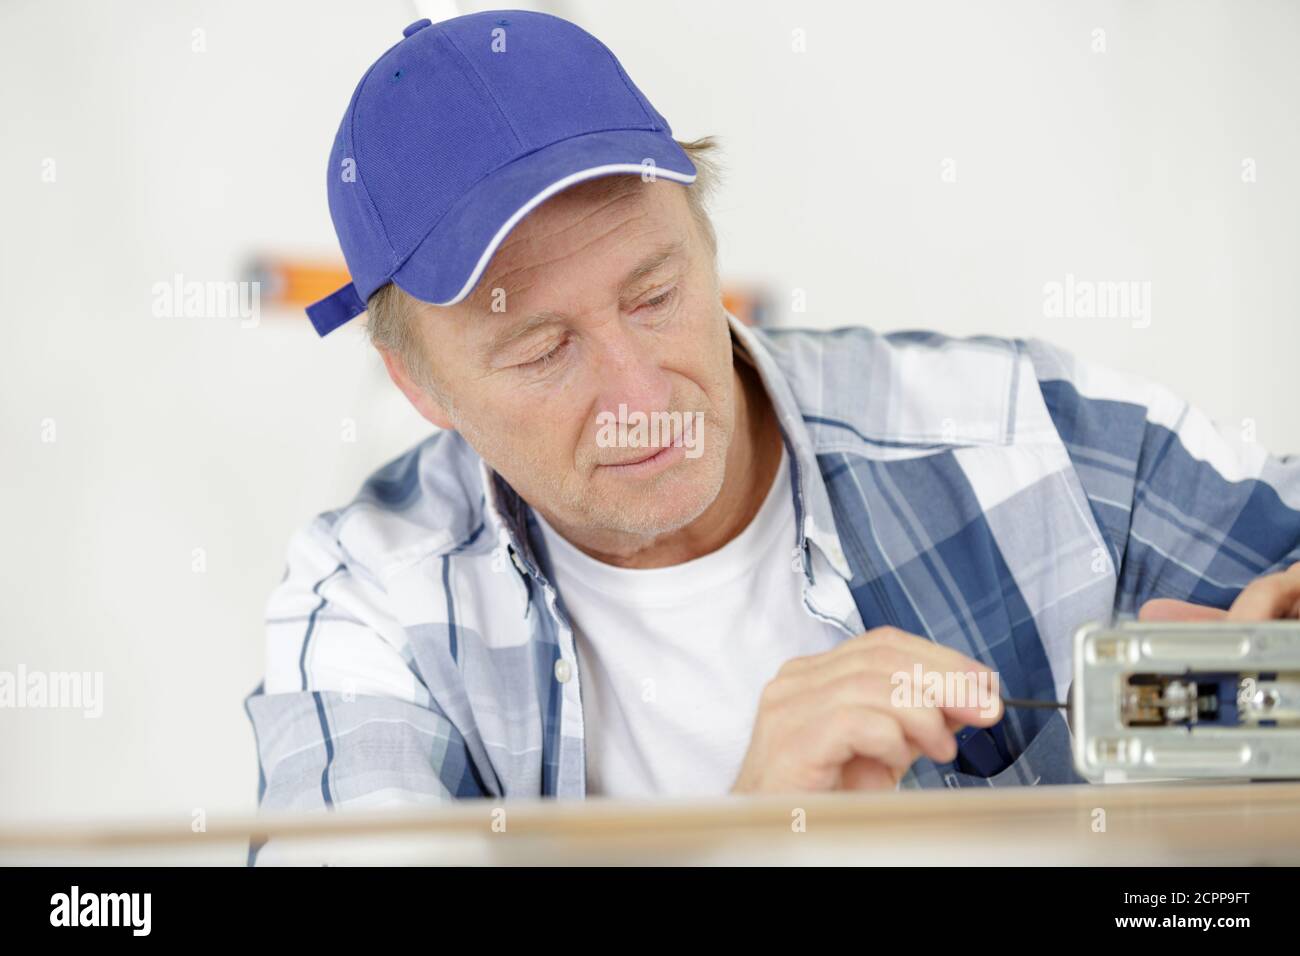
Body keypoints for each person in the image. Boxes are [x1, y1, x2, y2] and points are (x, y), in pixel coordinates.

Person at [245, 11, 1300, 825]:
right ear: (418, 387)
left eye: (654, 295)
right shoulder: (371, 609)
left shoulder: (1038, 441)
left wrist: (1255, 700)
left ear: (705, 247)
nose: (641, 396)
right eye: (542, 348)